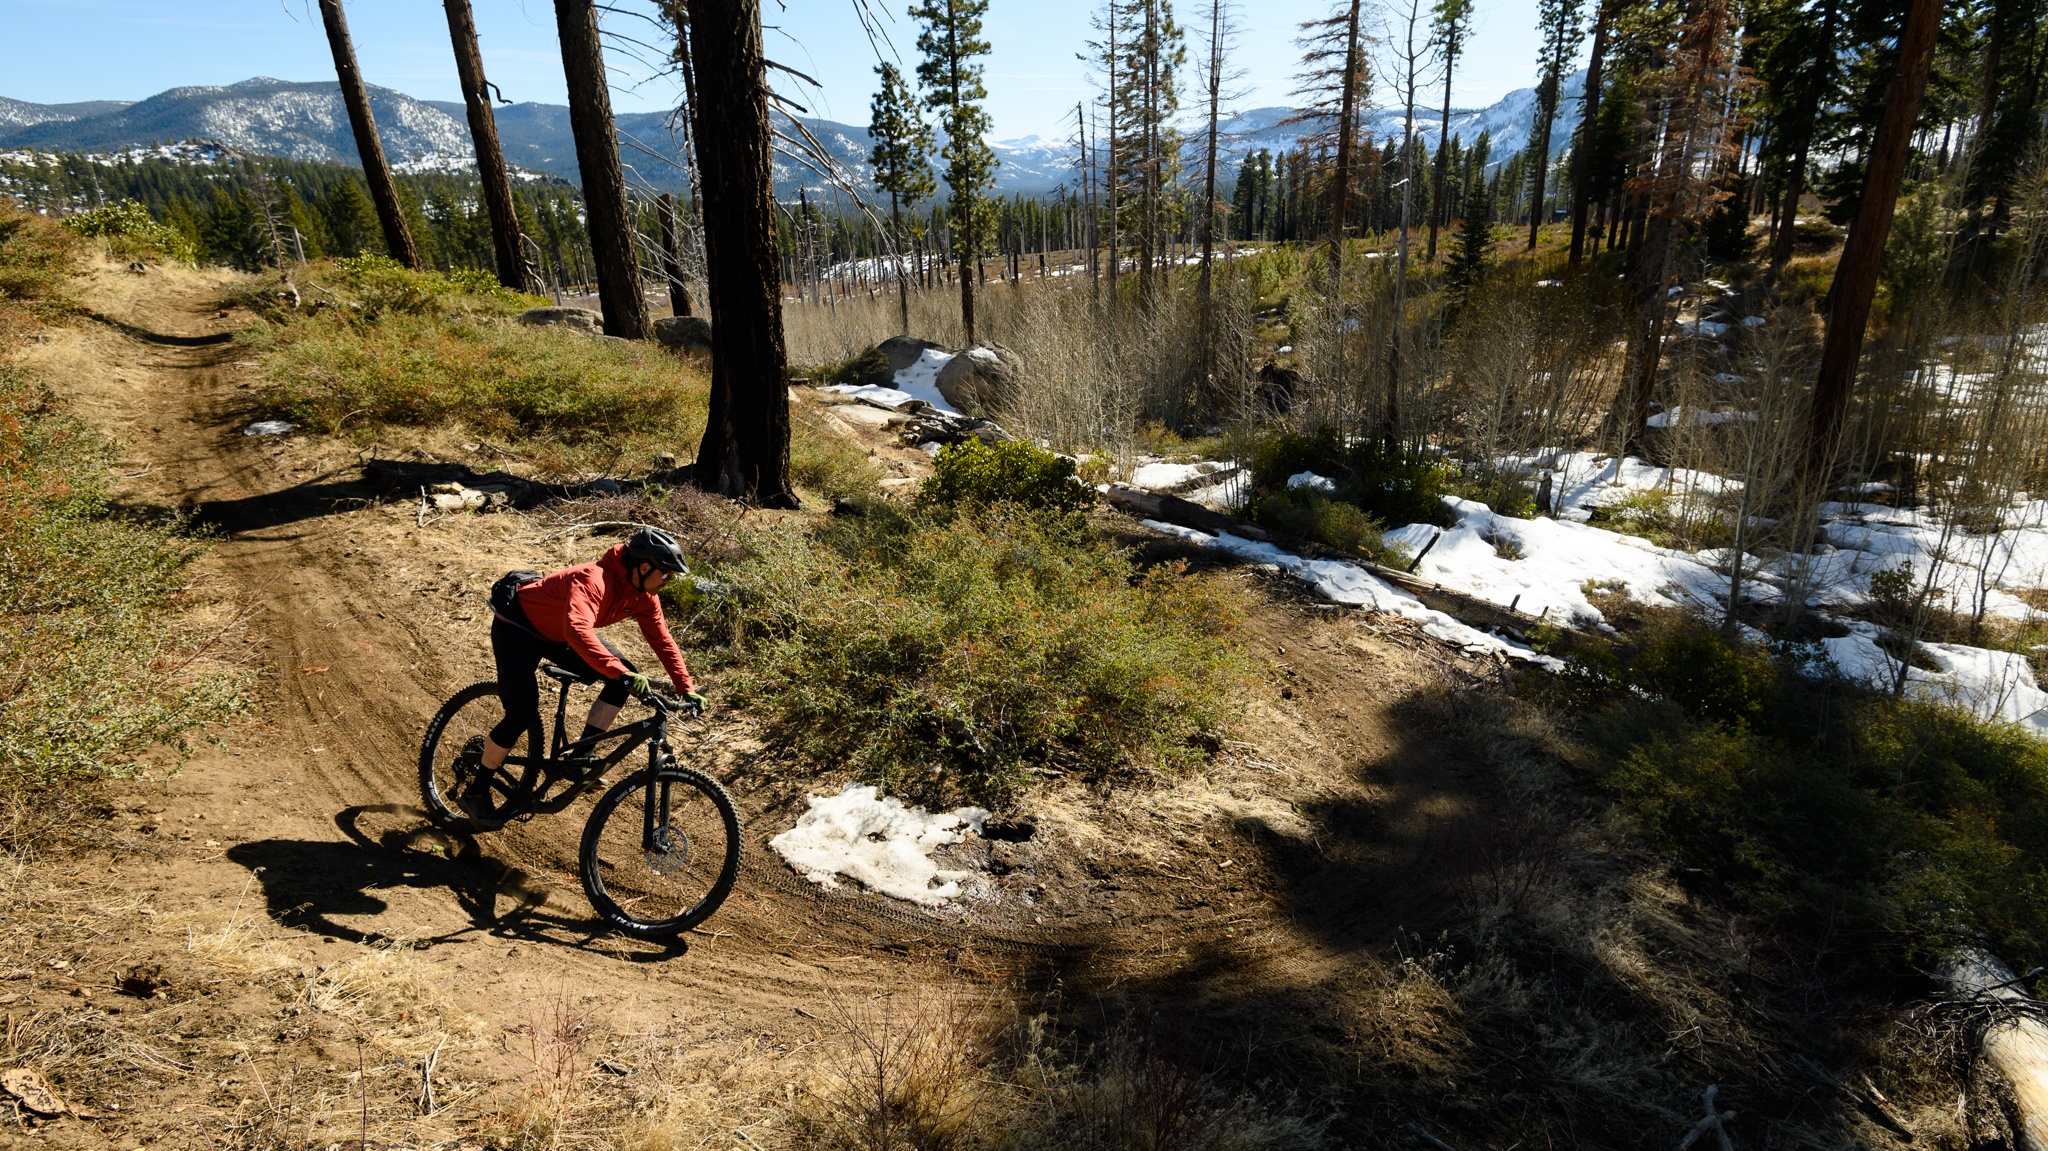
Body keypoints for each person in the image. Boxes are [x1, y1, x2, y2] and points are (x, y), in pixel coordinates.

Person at [476, 527, 707, 792]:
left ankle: (578, 760)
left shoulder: (644, 595)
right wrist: (618, 672)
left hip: (558, 635)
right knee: (521, 713)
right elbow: (576, 629)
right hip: (519, 628)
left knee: (623, 676)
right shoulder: (594, 579)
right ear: (644, 568)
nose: (668, 582)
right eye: (665, 574)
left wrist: (685, 686)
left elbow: (662, 641)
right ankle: (477, 789)